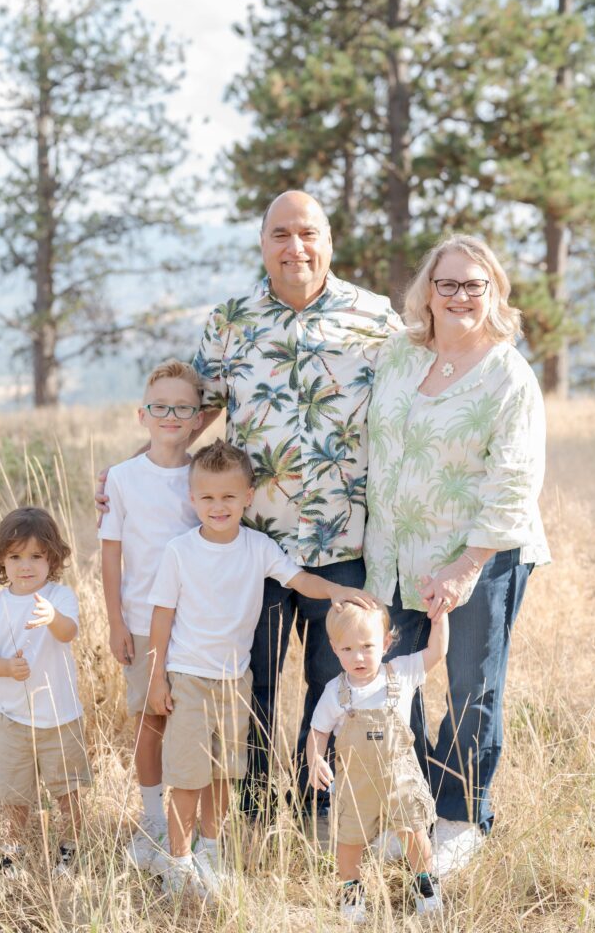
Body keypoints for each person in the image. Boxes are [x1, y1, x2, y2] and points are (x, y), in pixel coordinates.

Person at [96, 191, 400, 819]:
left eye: (308, 233)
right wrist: (131, 467)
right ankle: (256, 813)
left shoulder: (375, 318)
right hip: (249, 546)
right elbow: (192, 413)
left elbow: (414, 401)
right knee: (250, 686)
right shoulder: (231, 321)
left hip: (341, 545)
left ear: (329, 241)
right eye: (281, 235)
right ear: (263, 244)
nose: (296, 247)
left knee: (335, 686)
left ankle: (321, 813)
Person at [362, 234, 550, 873]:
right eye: (448, 283)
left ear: (493, 291)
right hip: (394, 554)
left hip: (480, 557)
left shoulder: (507, 373)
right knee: (396, 689)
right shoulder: (398, 356)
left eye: (476, 284)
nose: (461, 295)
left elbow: (515, 481)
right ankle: (411, 814)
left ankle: (462, 815)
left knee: (470, 687)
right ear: (428, 292)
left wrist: (467, 565)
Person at [146, 439, 376, 903]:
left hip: (236, 681)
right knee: (188, 776)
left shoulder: (258, 546)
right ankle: (179, 860)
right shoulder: (179, 552)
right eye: (207, 497)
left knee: (224, 774)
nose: (218, 506)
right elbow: (162, 617)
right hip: (189, 678)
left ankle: (211, 852)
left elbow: (298, 579)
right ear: (193, 499)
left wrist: (334, 591)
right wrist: (156, 678)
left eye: (229, 496)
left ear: (248, 497)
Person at [99, 359, 204, 870]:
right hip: (141, 622)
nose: (170, 415)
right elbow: (111, 553)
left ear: (197, 417)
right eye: (160, 407)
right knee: (148, 721)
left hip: (196, 625)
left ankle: (199, 825)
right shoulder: (121, 478)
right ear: (142, 414)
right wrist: (117, 622)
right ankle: (151, 816)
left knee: (193, 722)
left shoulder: (204, 475)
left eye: (182, 408)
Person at [308, 602, 449, 921]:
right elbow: (318, 730)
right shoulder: (336, 691)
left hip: (400, 777)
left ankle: (425, 883)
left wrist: (440, 620)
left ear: (385, 643)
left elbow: (436, 653)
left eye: (368, 647)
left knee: (414, 832)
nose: (358, 657)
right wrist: (315, 758)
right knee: (349, 841)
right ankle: (351, 891)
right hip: (355, 783)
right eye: (348, 648)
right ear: (334, 648)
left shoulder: (400, 672)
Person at [0, 506, 91, 877]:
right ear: (1, 561)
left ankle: (70, 849)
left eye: (36, 556)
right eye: (16, 556)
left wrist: (51, 617)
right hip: (14, 718)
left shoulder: (59, 596)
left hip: (60, 716)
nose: (26, 565)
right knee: (15, 793)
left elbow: (69, 632)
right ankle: (12, 852)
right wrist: (7, 667)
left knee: (67, 789)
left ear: (52, 558)